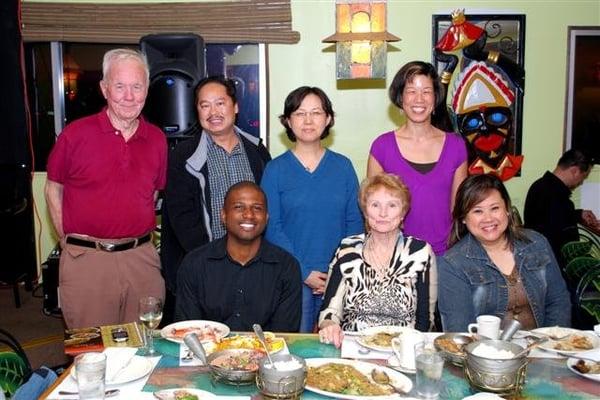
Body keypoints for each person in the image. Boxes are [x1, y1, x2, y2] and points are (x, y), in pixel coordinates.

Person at [45, 48, 167, 329]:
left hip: (141, 259)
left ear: (146, 90)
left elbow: (152, 193)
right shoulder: (75, 135)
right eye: (120, 86)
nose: (129, 96)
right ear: (104, 88)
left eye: (137, 87)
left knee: (143, 349)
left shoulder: (157, 139)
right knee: (91, 355)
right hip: (88, 259)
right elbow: (53, 189)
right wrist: (68, 242)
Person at [160, 76, 271, 323]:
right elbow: (183, 220)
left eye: (220, 103)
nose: (213, 112)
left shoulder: (257, 151)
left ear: (235, 106)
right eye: (204, 105)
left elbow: (267, 209)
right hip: (203, 269)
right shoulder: (183, 156)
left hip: (253, 268)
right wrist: (217, 263)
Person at [261, 86, 364, 332]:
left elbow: (355, 224)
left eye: (316, 113)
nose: (308, 120)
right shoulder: (275, 170)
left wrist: (338, 271)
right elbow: (272, 228)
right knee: (297, 348)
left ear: (328, 119)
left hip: (339, 276)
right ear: (288, 120)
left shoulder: (343, 167)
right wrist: (304, 272)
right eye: (299, 113)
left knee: (337, 351)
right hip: (291, 276)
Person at [438, 174, 571, 332]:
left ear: (507, 209)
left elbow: (558, 301)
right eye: (477, 211)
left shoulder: (536, 243)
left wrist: (551, 345)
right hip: (486, 352)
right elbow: (458, 328)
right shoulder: (453, 263)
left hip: (542, 349)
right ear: (464, 218)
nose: (488, 219)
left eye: (495, 208)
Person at [318, 174, 436, 348]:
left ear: (403, 212)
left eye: (392, 205)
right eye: (375, 205)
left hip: (402, 347)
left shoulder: (420, 252)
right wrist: (329, 326)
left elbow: (426, 319)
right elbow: (329, 311)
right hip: (353, 345)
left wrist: (410, 351)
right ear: (365, 211)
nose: (383, 213)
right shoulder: (347, 249)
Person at [367, 61, 467, 256]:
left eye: (426, 91)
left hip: (446, 255)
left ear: (436, 97)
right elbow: (373, 211)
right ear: (401, 97)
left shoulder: (456, 146)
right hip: (395, 256)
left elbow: (459, 209)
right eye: (411, 91)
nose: (419, 99)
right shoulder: (382, 147)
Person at [175, 181, 302, 332]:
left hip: (266, 353)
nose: (249, 214)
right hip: (207, 352)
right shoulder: (195, 264)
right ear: (223, 215)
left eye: (257, 208)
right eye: (239, 207)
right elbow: (188, 330)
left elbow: (284, 334)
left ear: (266, 217)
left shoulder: (286, 267)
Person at [524, 149, 599, 264]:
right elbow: (565, 244)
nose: (581, 182)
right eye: (583, 177)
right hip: (553, 265)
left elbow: (551, 218)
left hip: (537, 257)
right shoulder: (558, 198)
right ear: (574, 171)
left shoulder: (539, 185)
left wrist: (579, 214)